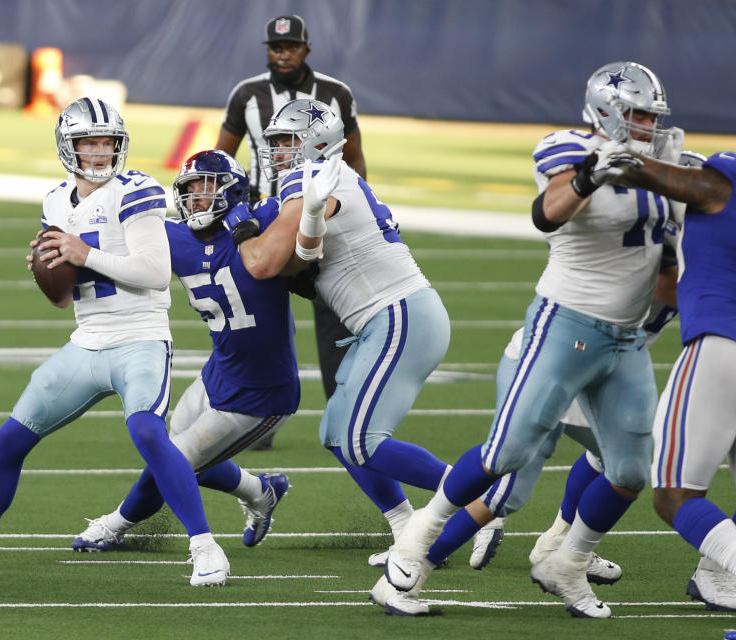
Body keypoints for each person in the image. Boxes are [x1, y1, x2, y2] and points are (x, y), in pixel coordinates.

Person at [382, 61, 680, 619]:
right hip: (565, 322)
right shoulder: (567, 146)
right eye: (639, 114)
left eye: (652, 115)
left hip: (625, 339)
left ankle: (566, 562)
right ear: (609, 110)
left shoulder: (659, 172)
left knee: (634, 469)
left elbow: (667, 264)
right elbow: (548, 213)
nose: (647, 125)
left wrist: (656, 320)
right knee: (507, 454)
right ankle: (419, 535)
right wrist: (595, 171)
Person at [0, 97, 229, 587]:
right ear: (68, 146)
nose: (99, 152)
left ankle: (206, 547)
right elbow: (62, 300)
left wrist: (83, 251)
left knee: (150, 434)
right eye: (88, 142)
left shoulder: (137, 191)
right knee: (11, 438)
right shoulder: (54, 200)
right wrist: (48, 272)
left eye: (107, 142)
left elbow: (155, 273)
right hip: (88, 341)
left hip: (139, 338)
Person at [224, 97, 454, 569]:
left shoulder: (312, 177)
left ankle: (479, 497)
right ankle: (406, 527)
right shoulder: (322, 178)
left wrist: (241, 230)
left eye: (289, 140)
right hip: (386, 318)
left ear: (317, 143)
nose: (279, 151)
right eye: (277, 142)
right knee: (337, 432)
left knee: (362, 438)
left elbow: (263, 262)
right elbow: (294, 263)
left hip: (398, 313)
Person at [610, 132, 736, 640]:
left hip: (723, 343)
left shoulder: (735, 176)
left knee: (673, 494)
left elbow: (682, 182)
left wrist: (627, 164)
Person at [70, 150, 298, 551]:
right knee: (174, 455)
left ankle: (114, 525)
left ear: (233, 192)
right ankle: (260, 491)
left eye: (205, 190)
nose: (195, 201)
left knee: (172, 460)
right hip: (220, 372)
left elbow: (306, 208)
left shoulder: (261, 222)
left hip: (261, 391)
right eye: (188, 192)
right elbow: (128, 252)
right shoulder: (175, 237)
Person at [216, 14, 368, 439]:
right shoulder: (246, 94)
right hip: (265, 217)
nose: (283, 54)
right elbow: (223, 159)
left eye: (291, 47)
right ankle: (257, 416)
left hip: (323, 214)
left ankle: (344, 414)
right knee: (259, 313)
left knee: (333, 310)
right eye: (275, 47)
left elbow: (354, 157)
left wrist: (361, 209)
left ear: (306, 48)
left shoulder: (336, 94)